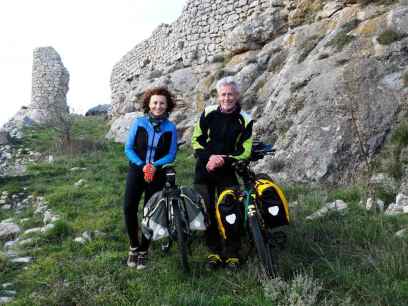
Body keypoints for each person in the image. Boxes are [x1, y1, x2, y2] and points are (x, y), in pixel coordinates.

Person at [191, 76, 253, 271]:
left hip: (227, 171)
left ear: (237, 95)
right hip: (204, 170)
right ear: (218, 96)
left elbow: (245, 149)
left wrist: (222, 159)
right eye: (223, 94)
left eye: (231, 94)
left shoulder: (245, 119)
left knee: (231, 210)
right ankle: (214, 252)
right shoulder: (208, 113)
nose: (227, 98)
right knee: (207, 211)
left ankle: (233, 252)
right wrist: (210, 158)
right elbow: (196, 140)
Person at [123, 87, 177, 269]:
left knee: (150, 211)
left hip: (158, 173)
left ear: (167, 105)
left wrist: (154, 166)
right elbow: (128, 148)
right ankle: (133, 246)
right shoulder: (139, 123)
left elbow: (171, 153)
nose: (158, 106)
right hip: (136, 170)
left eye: (162, 103)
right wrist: (142, 165)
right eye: (155, 102)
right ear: (148, 104)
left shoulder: (170, 127)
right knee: (129, 207)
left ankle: (144, 250)